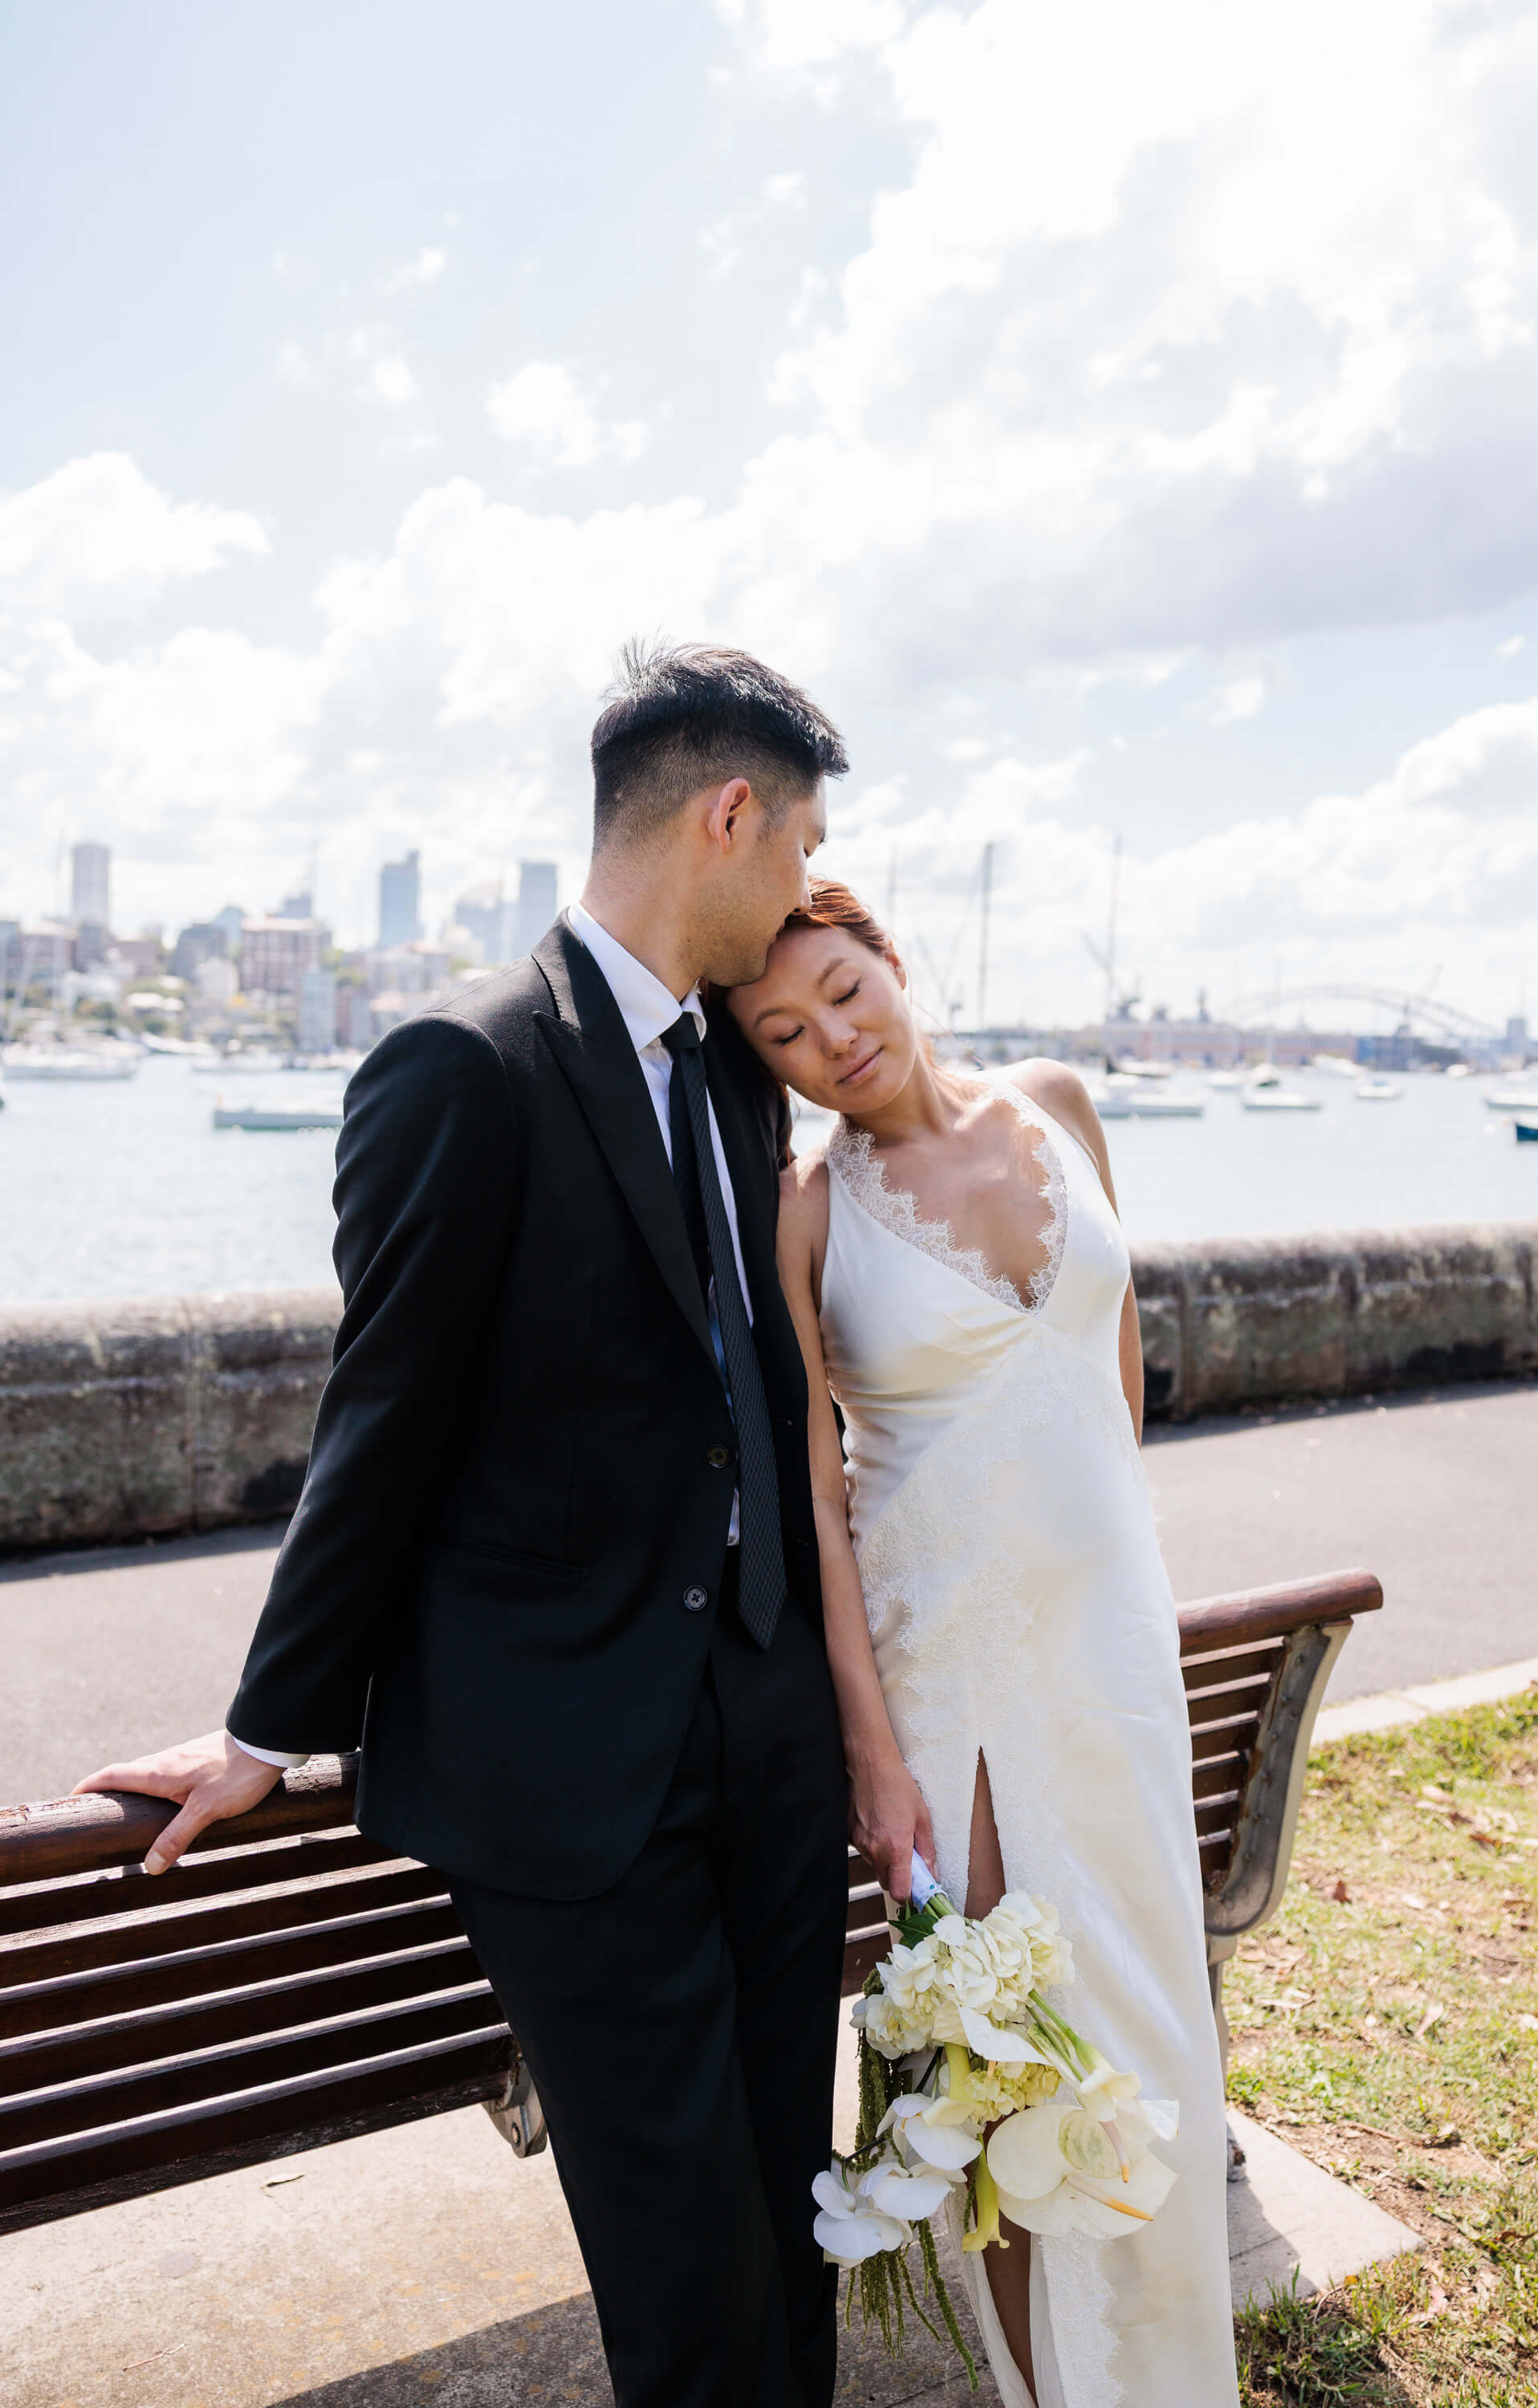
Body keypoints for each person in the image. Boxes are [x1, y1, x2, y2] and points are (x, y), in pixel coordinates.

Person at [73, 644, 855, 2408]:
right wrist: (273, 1721)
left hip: (761, 1727)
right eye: (798, 845)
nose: (804, 888)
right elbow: (386, 1417)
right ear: (730, 817)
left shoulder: (738, 1076)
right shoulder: (462, 1065)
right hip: (575, 1771)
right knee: (686, 2265)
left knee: (786, 2203)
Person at [726, 879, 1239, 2408]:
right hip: (952, 1681)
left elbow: (1112, 1383)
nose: (831, 1040)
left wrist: (1113, 1592)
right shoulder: (804, 1213)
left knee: (1150, 2040)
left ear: (891, 961)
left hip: (1112, 1662)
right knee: (1013, 2078)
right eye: (784, 1035)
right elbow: (814, 1498)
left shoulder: (1061, 1107)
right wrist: (877, 1759)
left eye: (841, 991)